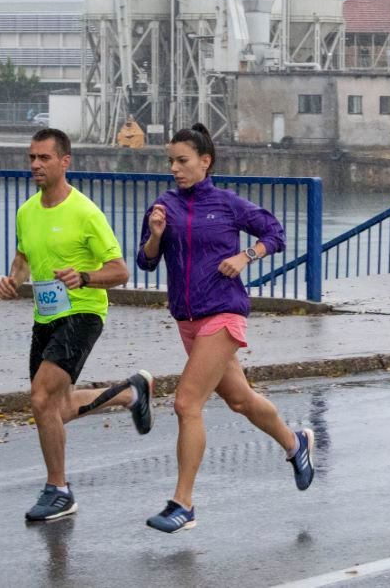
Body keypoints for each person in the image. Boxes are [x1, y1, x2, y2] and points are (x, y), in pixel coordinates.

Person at [136, 124, 314, 534]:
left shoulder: (227, 203)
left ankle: (183, 504)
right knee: (241, 400)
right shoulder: (163, 206)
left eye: (182, 161)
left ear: (205, 161)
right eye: (171, 161)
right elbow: (146, 261)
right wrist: (156, 236)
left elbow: (275, 233)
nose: (175, 169)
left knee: (187, 404)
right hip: (187, 320)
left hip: (223, 312)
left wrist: (245, 256)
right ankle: (295, 443)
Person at [0, 128, 153, 522]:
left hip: (83, 312)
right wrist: (13, 280)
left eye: (44, 158)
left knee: (40, 398)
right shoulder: (26, 211)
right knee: (56, 407)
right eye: (32, 157)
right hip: (45, 316)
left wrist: (83, 277)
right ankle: (129, 393)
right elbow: (23, 258)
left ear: (65, 162)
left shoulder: (86, 212)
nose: (35, 164)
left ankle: (59, 490)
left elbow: (120, 271)